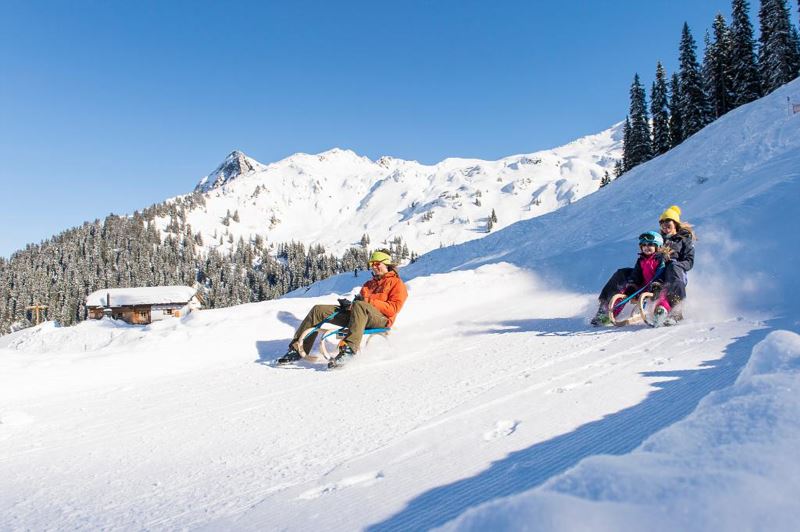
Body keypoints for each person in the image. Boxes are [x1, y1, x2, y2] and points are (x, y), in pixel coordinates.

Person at [278, 249, 408, 368]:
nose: (374, 267)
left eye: (377, 263)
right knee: (318, 310)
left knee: (360, 305)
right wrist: (348, 306)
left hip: (381, 319)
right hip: (359, 315)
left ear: (387, 264)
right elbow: (359, 305)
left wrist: (365, 302)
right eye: (372, 264)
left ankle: (349, 351)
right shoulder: (369, 284)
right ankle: (297, 349)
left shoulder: (397, 284)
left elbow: (393, 309)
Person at [592, 205, 695, 326]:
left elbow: (689, 261)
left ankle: (675, 313)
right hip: (650, 273)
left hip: (673, 275)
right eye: (663, 226)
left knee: (672, 268)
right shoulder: (657, 239)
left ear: (675, 225)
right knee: (623, 273)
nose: (665, 229)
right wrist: (633, 282)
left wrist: (673, 263)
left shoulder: (684, 239)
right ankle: (605, 309)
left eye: (669, 226)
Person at [592, 231, 666, 326]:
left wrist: (657, 285)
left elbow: (662, 274)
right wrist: (632, 285)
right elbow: (636, 274)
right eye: (644, 245)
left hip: (656, 288)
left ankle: (660, 314)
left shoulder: (660, 260)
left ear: (658, 247)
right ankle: (608, 314)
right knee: (623, 293)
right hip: (642, 287)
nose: (646, 247)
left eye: (650, 244)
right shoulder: (641, 260)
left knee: (665, 294)